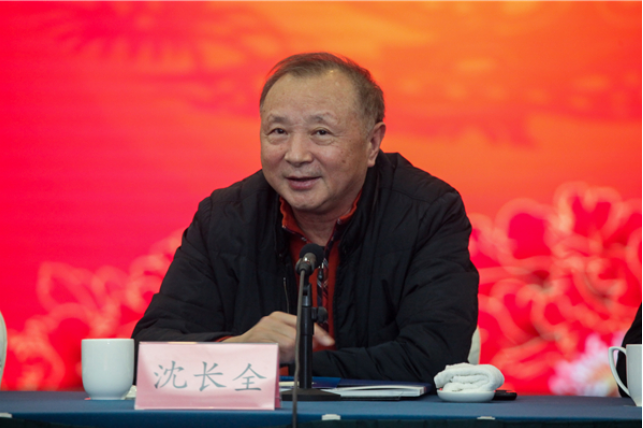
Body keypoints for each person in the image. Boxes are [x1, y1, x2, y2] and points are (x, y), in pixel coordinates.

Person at [132, 52, 479, 384]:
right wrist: (238, 350)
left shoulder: (427, 211)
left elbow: (434, 357)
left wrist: (285, 363)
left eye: (321, 133)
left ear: (372, 143)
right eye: (279, 132)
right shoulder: (225, 218)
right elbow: (147, 352)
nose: (296, 155)